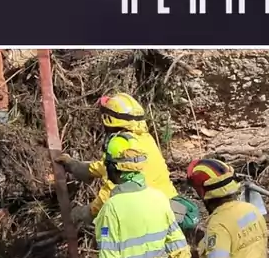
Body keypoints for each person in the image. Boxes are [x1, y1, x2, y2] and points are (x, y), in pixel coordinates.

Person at [58, 92, 198, 230]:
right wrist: (76, 166)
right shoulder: (143, 138)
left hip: (155, 215)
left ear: (109, 119)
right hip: (169, 206)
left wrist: (88, 212)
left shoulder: (123, 143)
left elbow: (114, 187)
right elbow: (112, 166)